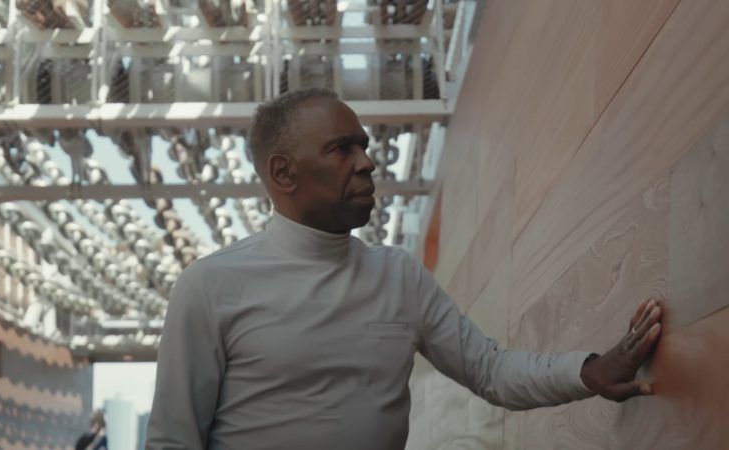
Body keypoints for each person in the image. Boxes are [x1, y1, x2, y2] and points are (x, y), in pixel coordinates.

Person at [145, 88, 663, 450]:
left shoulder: (399, 276)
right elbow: (173, 441)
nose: (367, 162)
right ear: (283, 172)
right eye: (342, 149)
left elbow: (491, 371)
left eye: (364, 146)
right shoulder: (210, 286)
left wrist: (589, 372)